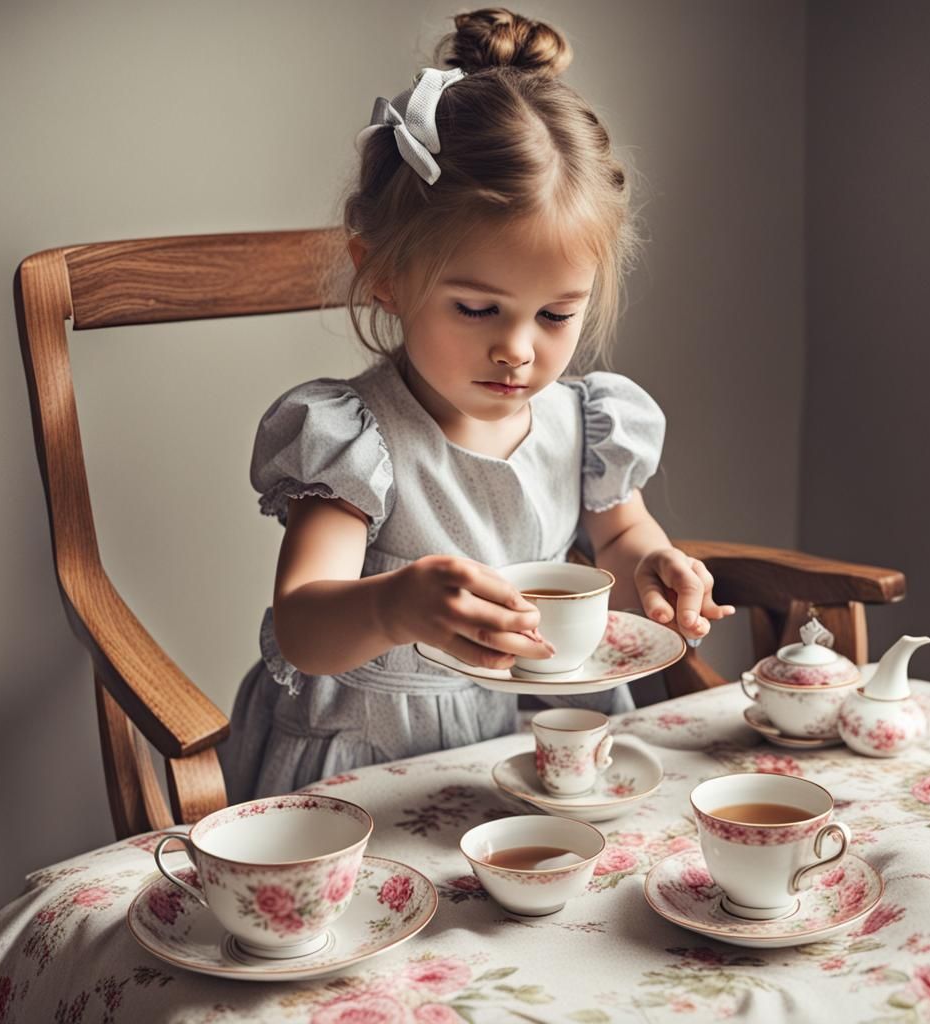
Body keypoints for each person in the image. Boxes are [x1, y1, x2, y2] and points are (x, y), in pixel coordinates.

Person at [219, 7, 735, 803]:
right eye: (477, 308)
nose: (517, 350)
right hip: (376, 766)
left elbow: (622, 538)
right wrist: (394, 607)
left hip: (539, 745)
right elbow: (303, 627)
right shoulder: (355, 441)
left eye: (556, 314)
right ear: (384, 276)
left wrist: (653, 571)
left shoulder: (587, 424)